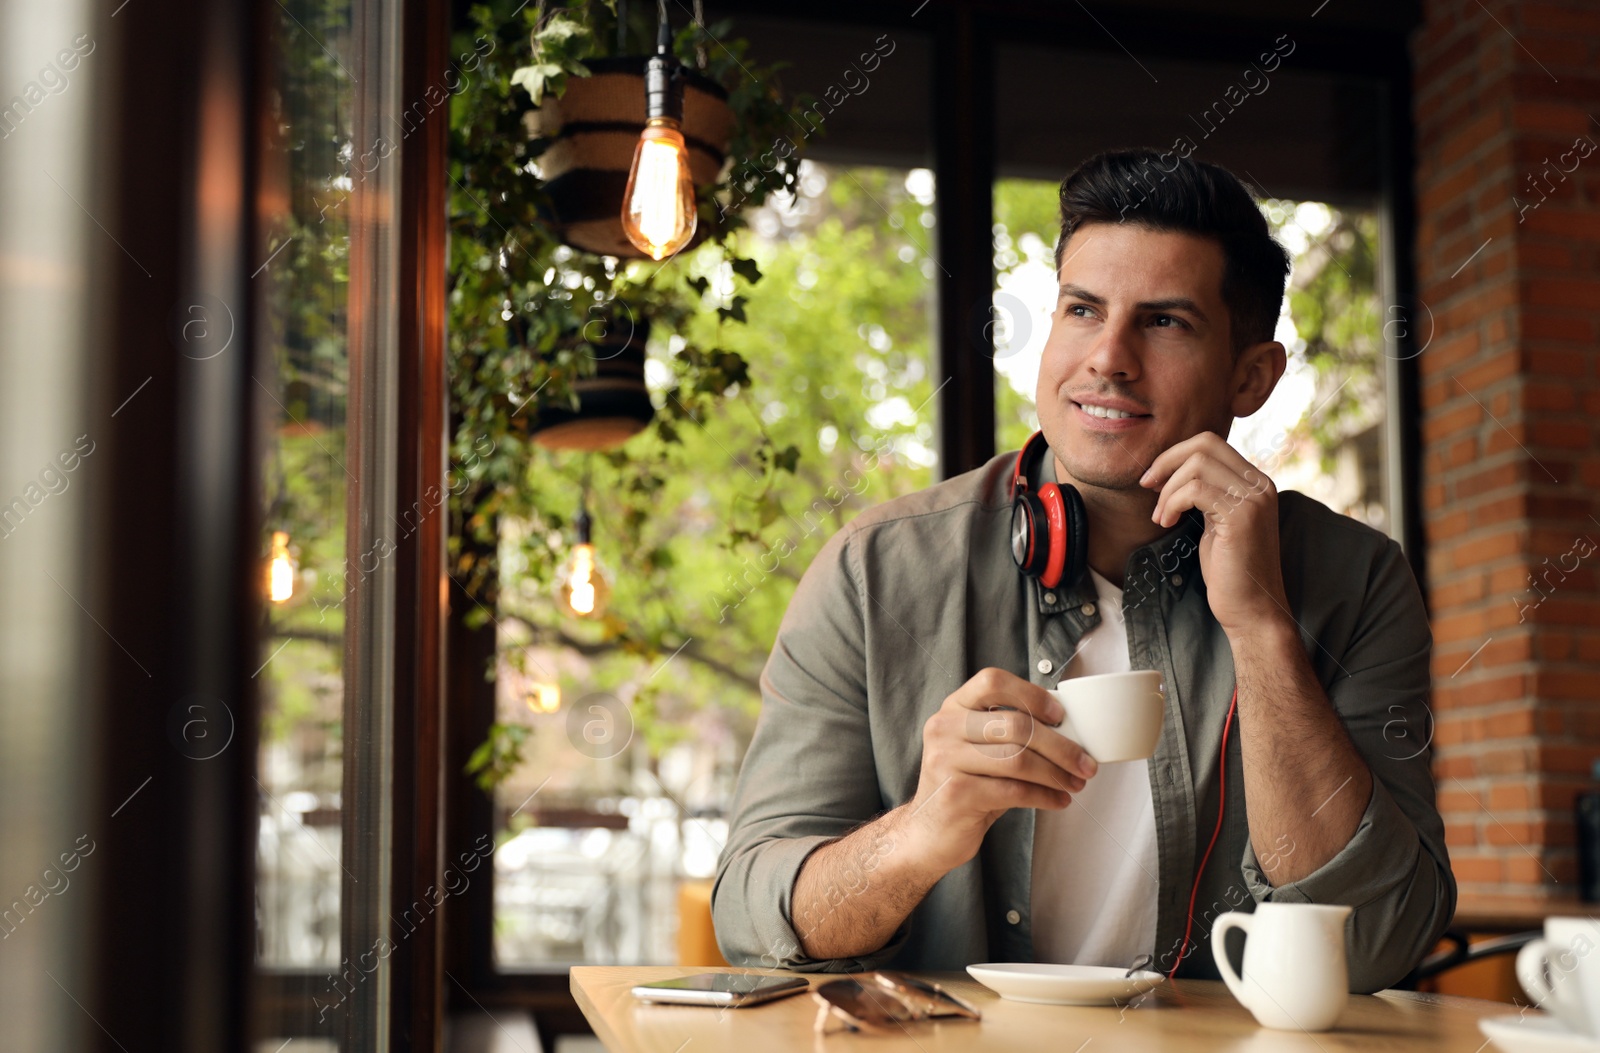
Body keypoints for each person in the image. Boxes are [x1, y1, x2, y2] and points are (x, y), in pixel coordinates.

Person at [711, 148, 1454, 992]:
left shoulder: (1356, 581)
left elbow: (1381, 941)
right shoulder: (875, 571)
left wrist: (1261, 626)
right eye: (1082, 309)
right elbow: (752, 916)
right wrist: (920, 832)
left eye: (1165, 321)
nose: (1108, 356)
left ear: (1251, 376)